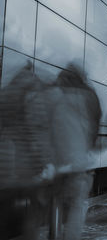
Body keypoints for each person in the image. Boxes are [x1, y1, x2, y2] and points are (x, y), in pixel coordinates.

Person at [0, 62, 55, 240]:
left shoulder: (5, 92)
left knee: (5, 216)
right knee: (33, 214)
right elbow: (37, 130)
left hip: (6, 164)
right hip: (28, 164)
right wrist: (46, 162)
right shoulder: (34, 93)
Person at [51, 63, 102, 239]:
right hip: (79, 160)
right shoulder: (89, 95)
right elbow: (95, 124)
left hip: (55, 159)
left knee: (55, 202)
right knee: (77, 204)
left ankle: (55, 234)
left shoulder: (54, 92)